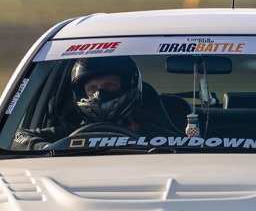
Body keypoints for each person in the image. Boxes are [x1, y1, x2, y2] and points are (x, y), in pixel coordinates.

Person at [13, 56, 181, 150]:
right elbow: (14, 136)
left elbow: (187, 148)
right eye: (92, 88)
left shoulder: (158, 137)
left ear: (127, 87)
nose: (99, 94)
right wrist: (47, 147)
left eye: (110, 85)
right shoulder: (67, 134)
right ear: (80, 92)